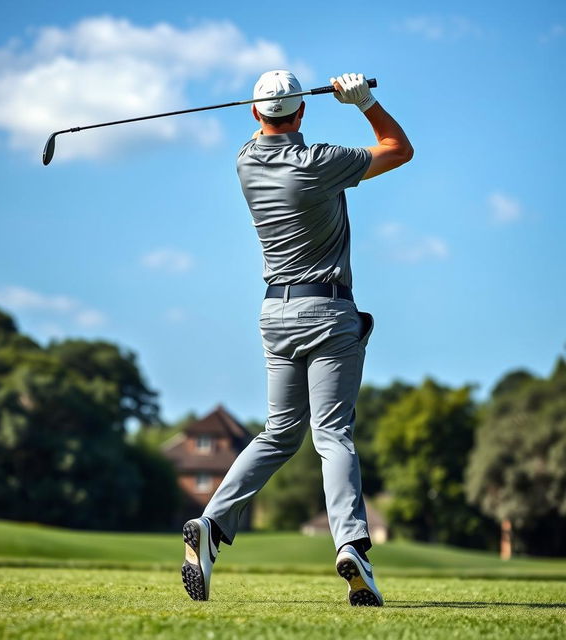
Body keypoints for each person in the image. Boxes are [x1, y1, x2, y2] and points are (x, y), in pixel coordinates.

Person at [181, 70, 413, 606]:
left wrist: (281, 110)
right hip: (328, 311)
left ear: (254, 114)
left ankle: (212, 523)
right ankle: (352, 545)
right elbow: (398, 149)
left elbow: (269, 129)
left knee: (279, 432)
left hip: (274, 314)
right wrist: (365, 101)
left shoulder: (244, 161)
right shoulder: (320, 162)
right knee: (332, 434)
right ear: (302, 113)